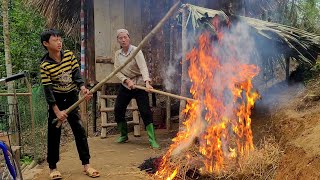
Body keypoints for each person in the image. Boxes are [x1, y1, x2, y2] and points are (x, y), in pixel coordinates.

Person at [39, 29, 100, 179]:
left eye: (60, 39)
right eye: (55, 40)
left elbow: (76, 76)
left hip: (72, 96)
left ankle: (86, 165)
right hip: (57, 100)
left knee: (79, 131)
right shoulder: (45, 65)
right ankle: (53, 168)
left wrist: (83, 89)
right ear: (46, 44)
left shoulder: (69, 56)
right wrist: (57, 111)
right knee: (54, 134)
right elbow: (48, 91)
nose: (59, 42)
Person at [114, 29, 160, 149]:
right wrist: (126, 80)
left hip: (139, 84)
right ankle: (124, 135)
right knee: (118, 109)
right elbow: (117, 72)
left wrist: (147, 83)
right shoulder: (117, 54)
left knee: (145, 111)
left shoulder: (136, 51)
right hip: (126, 85)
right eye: (120, 38)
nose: (123, 40)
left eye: (125, 37)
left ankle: (152, 139)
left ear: (129, 38)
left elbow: (143, 67)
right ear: (118, 40)